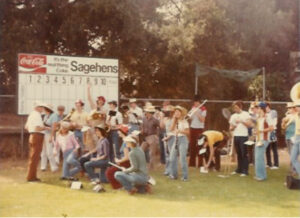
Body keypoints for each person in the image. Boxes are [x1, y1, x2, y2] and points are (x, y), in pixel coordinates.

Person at [24, 101, 47, 182]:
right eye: (41, 107)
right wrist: (46, 128)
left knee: (33, 157)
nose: (42, 108)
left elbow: (26, 127)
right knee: (35, 158)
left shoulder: (31, 114)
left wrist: (33, 130)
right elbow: (38, 128)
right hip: (37, 136)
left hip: (32, 136)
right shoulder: (37, 115)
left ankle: (32, 176)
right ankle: (31, 177)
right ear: (37, 108)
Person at [229, 101, 252, 177]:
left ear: (240, 107)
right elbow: (230, 128)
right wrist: (233, 127)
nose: (235, 109)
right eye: (234, 108)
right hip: (236, 136)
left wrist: (241, 121)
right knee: (238, 153)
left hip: (243, 136)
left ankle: (245, 171)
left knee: (244, 154)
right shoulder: (233, 116)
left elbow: (249, 125)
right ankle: (239, 169)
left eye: (236, 107)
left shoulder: (246, 114)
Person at [106, 125, 131, 189]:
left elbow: (127, 157)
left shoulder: (126, 142)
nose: (117, 132)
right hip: (125, 162)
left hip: (127, 163)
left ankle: (118, 186)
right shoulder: (125, 140)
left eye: (118, 131)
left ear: (122, 132)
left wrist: (118, 161)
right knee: (110, 171)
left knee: (109, 172)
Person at [253, 102, 274, 181]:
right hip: (258, 139)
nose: (256, 109)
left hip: (264, 139)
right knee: (258, 158)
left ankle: (261, 176)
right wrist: (256, 131)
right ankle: (260, 175)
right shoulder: (258, 118)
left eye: (257, 108)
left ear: (261, 109)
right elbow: (258, 129)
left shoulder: (267, 117)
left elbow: (271, 128)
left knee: (259, 157)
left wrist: (261, 131)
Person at [169, 106, 190, 181]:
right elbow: (171, 129)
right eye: (175, 112)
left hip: (183, 140)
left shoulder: (184, 121)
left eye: (178, 112)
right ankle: (174, 175)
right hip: (176, 139)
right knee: (172, 158)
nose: (176, 113)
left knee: (182, 159)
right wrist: (174, 120)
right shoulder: (175, 121)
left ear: (181, 113)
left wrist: (180, 131)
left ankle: (185, 177)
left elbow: (188, 132)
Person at [189, 95, 207, 168]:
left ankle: (200, 164)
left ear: (198, 102)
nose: (194, 104)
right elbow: (190, 118)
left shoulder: (203, 109)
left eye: (195, 102)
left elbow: (202, 120)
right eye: (194, 103)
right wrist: (191, 113)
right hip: (192, 128)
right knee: (192, 146)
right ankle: (192, 163)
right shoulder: (193, 108)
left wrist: (197, 113)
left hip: (199, 129)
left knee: (200, 145)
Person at [141, 105, 160, 170]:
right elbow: (142, 126)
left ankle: (151, 167)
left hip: (152, 136)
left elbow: (160, 127)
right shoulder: (144, 118)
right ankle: (141, 165)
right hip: (145, 137)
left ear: (150, 112)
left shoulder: (155, 120)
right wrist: (141, 131)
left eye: (146, 111)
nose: (145, 112)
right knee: (141, 151)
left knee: (152, 153)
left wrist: (156, 136)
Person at [40, 104, 58, 172]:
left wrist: (51, 136)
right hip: (44, 134)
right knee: (43, 151)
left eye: (44, 109)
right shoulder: (45, 116)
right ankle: (43, 166)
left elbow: (54, 127)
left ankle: (54, 167)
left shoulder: (54, 116)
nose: (43, 110)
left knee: (49, 152)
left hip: (49, 135)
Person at [160, 105, 175, 176]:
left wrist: (168, 137)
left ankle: (172, 170)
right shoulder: (166, 119)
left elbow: (174, 130)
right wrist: (161, 118)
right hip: (166, 135)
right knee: (167, 154)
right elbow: (162, 126)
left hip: (172, 136)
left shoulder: (174, 119)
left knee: (172, 154)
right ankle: (167, 170)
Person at [282, 102, 296, 173]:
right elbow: (283, 127)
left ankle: (293, 169)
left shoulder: (297, 116)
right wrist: (284, 122)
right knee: (291, 153)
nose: (288, 109)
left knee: (293, 154)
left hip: (294, 136)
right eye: (288, 108)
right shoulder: (287, 116)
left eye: (290, 108)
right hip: (287, 136)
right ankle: (294, 168)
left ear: (294, 108)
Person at [266, 103, 279, 169]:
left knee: (274, 148)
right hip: (267, 132)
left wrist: (271, 128)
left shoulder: (273, 112)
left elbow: (275, 122)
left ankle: (276, 164)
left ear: (267, 106)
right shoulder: (264, 114)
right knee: (267, 148)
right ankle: (269, 163)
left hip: (272, 131)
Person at [291, 100, 300, 178]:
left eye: (297, 106)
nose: (296, 108)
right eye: (296, 107)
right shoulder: (296, 115)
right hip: (297, 137)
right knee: (293, 158)